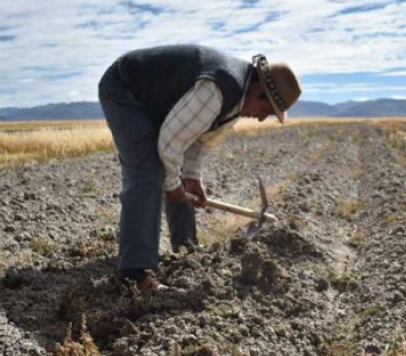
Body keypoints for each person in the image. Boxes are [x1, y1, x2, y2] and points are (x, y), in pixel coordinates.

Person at [98, 44, 302, 294]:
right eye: (267, 110)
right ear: (258, 88)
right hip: (126, 89)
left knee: (177, 176)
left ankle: (186, 251)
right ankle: (134, 275)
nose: (261, 118)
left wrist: (191, 178)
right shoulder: (219, 88)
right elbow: (171, 142)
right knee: (148, 171)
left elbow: (199, 140)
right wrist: (173, 186)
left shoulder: (236, 98)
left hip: (157, 102)